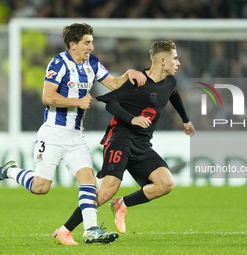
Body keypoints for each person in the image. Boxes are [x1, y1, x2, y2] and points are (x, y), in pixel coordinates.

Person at [0, 23, 147, 245]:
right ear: (73, 45)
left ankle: (91, 230)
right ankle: (10, 171)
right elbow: (47, 97)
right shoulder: (59, 63)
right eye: (87, 42)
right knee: (41, 187)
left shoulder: (93, 63)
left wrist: (129, 73)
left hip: (76, 137)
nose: (92, 46)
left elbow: (115, 84)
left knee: (88, 180)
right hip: (52, 134)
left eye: (92, 41)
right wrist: (77, 101)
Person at [53, 40, 195, 242]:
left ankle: (122, 204)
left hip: (142, 143)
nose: (178, 62)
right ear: (162, 61)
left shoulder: (171, 82)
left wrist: (186, 120)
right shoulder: (138, 81)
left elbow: (173, 95)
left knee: (165, 183)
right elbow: (110, 103)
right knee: (105, 192)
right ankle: (64, 230)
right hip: (120, 138)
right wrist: (132, 119)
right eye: (175, 58)